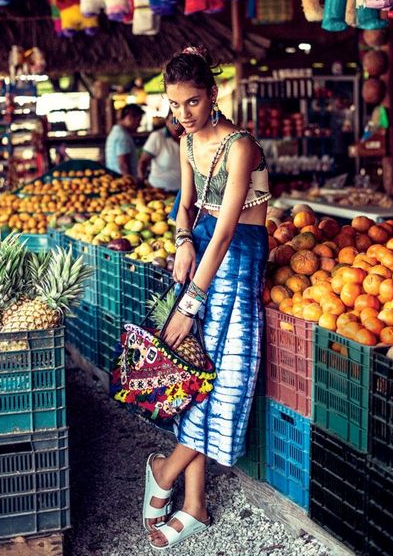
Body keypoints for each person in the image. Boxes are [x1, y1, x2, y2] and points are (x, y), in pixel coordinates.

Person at [143, 46, 271, 550]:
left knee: (227, 382)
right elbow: (186, 206)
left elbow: (225, 232)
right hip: (199, 260)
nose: (183, 114)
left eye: (192, 103)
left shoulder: (241, 145)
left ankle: (165, 470)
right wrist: (180, 240)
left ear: (213, 94)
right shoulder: (187, 142)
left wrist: (189, 303)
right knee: (194, 375)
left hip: (233, 264)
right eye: (175, 105)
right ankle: (194, 502)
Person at [137, 113, 182, 192]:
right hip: (160, 191)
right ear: (166, 122)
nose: (176, 125)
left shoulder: (188, 137)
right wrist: (142, 183)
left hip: (183, 191)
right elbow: (143, 162)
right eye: (173, 121)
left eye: (180, 121)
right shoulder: (157, 136)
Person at [105, 103, 144, 176]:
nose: (139, 125)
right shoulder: (123, 136)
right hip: (122, 181)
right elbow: (123, 165)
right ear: (129, 118)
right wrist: (130, 183)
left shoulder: (115, 132)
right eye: (138, 120)